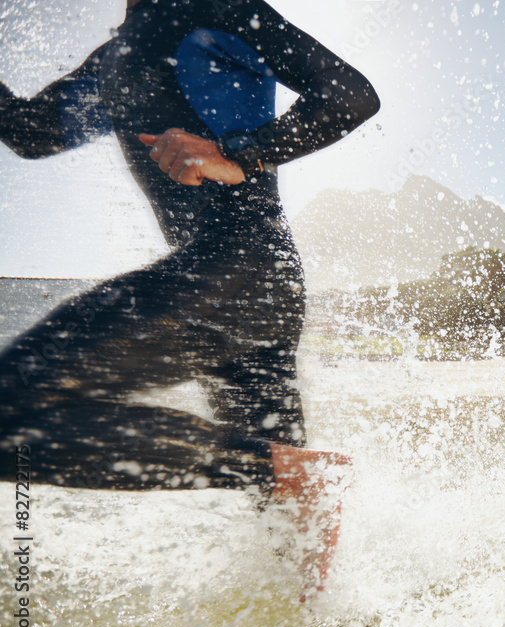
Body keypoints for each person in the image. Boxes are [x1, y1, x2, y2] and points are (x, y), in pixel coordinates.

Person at [0, 0, 380, 594]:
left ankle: (281, 473)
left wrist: (237, 152)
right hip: (240, 292)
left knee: (6, 408)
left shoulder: (213, 5)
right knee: (290, 547)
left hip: (238, 272)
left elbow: (350, 95)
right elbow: (29, 132)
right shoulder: (112, 61)